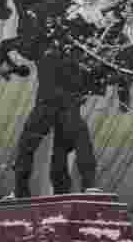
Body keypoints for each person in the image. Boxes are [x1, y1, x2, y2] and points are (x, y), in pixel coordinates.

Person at [11, 42, 100, 197]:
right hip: (54, 107)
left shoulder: (67, 55)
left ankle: (75, 188)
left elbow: (90, 82)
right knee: (60, 146)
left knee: (58, 148)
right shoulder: (58, 52)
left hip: (58, 107)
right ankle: (22, 187)